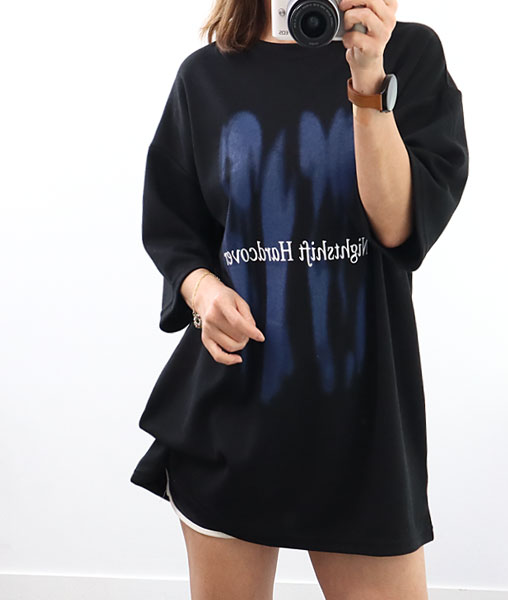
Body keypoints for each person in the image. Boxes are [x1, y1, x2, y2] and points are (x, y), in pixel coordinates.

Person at [130, 0, 469, 598]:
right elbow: (174, 228)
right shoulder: (204, 76)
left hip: (361, 433)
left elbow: (398, 226)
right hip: (232, 417)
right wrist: (204, 293)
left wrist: (368, 79)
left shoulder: (407, 56)